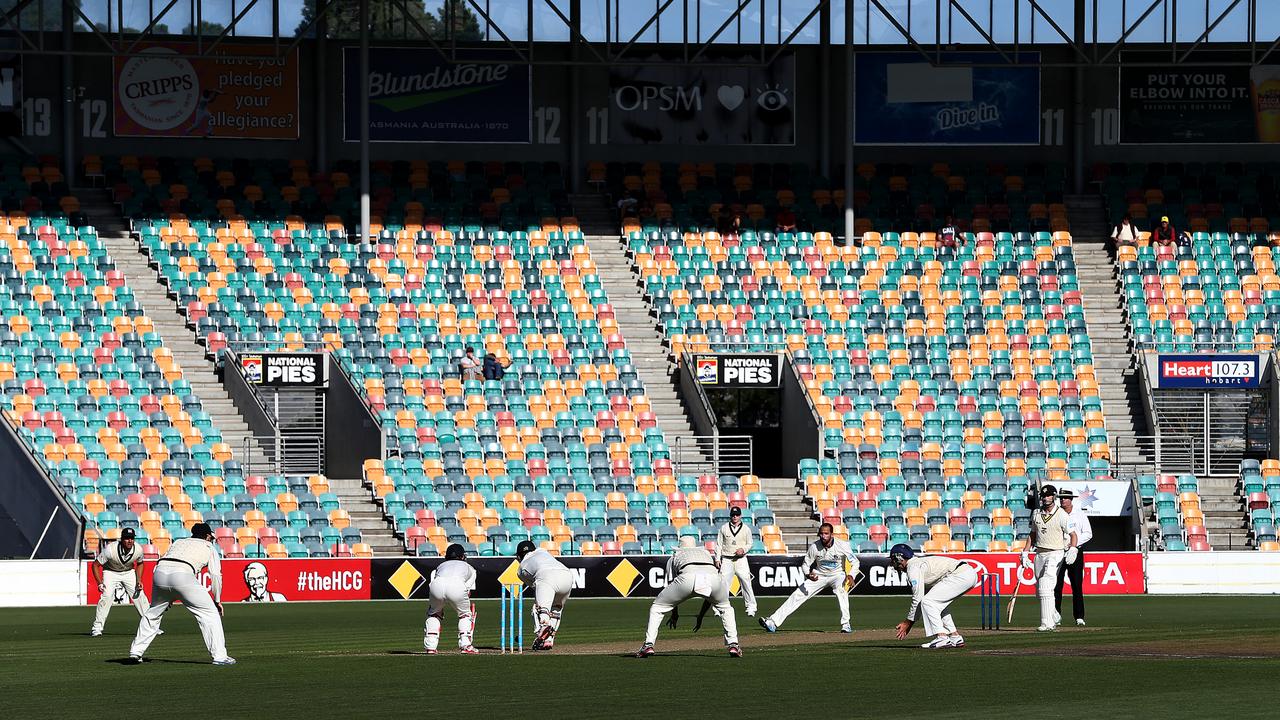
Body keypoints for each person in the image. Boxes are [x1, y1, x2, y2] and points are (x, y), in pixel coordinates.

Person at [129, 523, 235, 665]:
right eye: (211, 537)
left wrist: (168, 595)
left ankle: (136, 652)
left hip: (160, 572)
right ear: (208, 536)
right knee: (209, 614)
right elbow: (215, 575)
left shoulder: (178, 542)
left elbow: (163, 561)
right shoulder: (209, 547)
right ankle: (220, 656)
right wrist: (217, 600)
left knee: (152, 613)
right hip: (183, 574)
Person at [635, 536, 741, 658]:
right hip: (714, 580)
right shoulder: (706, 554)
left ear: (680, 547)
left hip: (687, 577)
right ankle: (734, 644)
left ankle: (648, 644)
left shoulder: (675, 556)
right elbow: (709, 597)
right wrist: (701, 616)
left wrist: (675, 614)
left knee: (657, 608)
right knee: (726, 609)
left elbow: (672, 585)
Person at [758, 523, 858, 634]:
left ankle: (846, 624)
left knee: (842, 592)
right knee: (798, 594)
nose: (823, 536)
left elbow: (855, 562)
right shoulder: (814, 547)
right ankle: (773, 622)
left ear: (832, 534)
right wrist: (807, 574)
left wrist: (851, 575)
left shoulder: (842, 545)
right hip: (819, 574)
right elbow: (805, 564)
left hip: (838, 574)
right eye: (821, 533)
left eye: (826, 533)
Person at [889, 543, 979, 649]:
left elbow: (918, 598)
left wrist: (908, 622)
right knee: (936, 604)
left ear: (899, 558)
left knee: (928, 602)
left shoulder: (913, 568)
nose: (892, 563)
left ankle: (942, 637)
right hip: (967, 573)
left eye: (893, 560)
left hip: (960, 574)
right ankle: (955, 637)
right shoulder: (917, 564)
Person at [1020, 485, 1078, 632]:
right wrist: (1025, 552)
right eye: (1044, 496)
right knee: (1040, 591)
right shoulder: (1036, 514)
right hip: (1039, 554)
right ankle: (1054, 614)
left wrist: (1073, 548)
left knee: (1046, 584)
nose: (1046, 498)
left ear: (1054, 497)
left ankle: (1047, 623)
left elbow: (1073, 534)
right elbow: (1032, 535)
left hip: (1055, 553)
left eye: (1049, 495)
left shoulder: (1062, 515)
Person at [89, 527, 147, 637]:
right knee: (106, 597)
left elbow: (140, 563)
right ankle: (97, 628)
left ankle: (151, 626)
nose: (130, 541)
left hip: (128, 572)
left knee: (140, 596)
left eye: (131, 538)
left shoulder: (138, 549)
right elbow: (95, 565)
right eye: (127, 538)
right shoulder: (110, 550)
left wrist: (139, 580)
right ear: (121, 539)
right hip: (110, 572)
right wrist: (99, 583)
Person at [516, 540, 573, 651]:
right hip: (567, 576)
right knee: (556, 609)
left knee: (539, 609)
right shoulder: (543, 552)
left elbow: (536, 586)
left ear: (519, 556)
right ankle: (548, 640)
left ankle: (543, 627)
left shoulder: (521, 569)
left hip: (546, 576)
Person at [424, 544, 479, 655]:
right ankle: (465, 645)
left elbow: (433, 581)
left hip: (436, 585)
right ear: (463, 556)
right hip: (457, 585)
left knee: (434, 614)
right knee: (465, 615)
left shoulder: (440, 566)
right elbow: (467, 591)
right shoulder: (470, 568)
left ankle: (430, 646)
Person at [1054, 489, 1093, 627]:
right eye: (1061, 498)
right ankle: (1056, 615)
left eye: (1065, 498)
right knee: (1057, 586)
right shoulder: (1057, 514)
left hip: (1075, 552)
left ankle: (1079, 616)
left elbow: (1088, 533)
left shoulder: (1080, 514)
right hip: (1059, 551)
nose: (1062, 500)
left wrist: (1074, 545)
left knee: (1077, 585)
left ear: (1071, 500)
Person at [715, 507, 756, 617]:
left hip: (741, 560)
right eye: (733, 515)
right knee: (723, 585)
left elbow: (750, 543)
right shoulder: (724, 528)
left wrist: (743, 550)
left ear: (740, 516)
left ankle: (751, 607)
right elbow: (719, 545)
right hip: (727, 559)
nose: (735, 517)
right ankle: (719, 608)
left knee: (746, 583)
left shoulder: (746, 529)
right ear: (730, 516)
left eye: (737, 515)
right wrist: (717, 558)